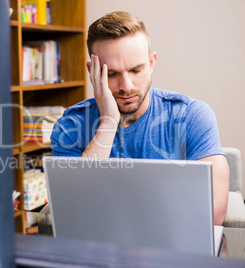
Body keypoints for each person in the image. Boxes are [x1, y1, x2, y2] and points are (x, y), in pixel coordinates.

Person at [50, 11, 229, 225]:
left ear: (152, 63)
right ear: (92, 71)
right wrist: (108, 121)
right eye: (112, 74)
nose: (126, 86)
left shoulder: (192, 116)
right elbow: (73, 209)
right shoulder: (70, 125)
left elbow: (214, 214)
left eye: (136, 70)